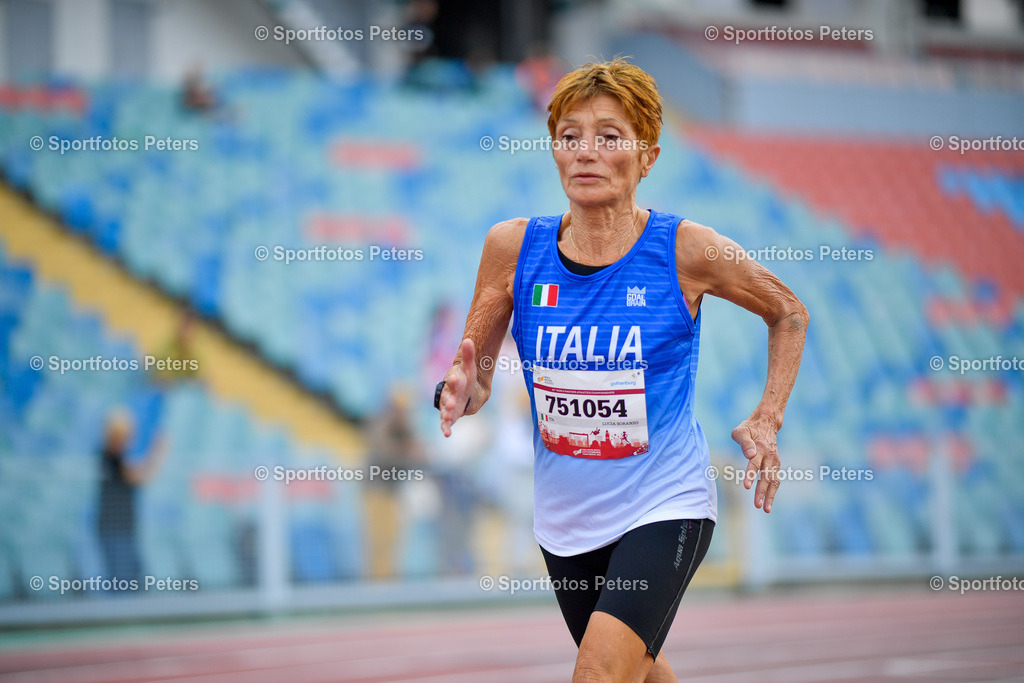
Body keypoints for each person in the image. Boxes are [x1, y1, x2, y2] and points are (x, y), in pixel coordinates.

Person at [435, 58, 808, 682]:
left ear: (648, 155)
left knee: (599, 675)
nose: (586, 151)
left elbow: (788, 312)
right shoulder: (511, 248)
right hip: (565, 520)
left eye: (609, 137)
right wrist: (457, 392)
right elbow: (471, 379)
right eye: (570, 136)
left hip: (666, 503)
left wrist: (767, 419)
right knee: (640, 671)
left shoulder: (685, 249)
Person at [97, 409, 168, 584]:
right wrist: (157, 453)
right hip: (114, 529)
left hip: (122, 528)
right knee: (122, 579)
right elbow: (137, 478)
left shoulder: (116, 457)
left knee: (133, 575)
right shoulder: (111, 457)